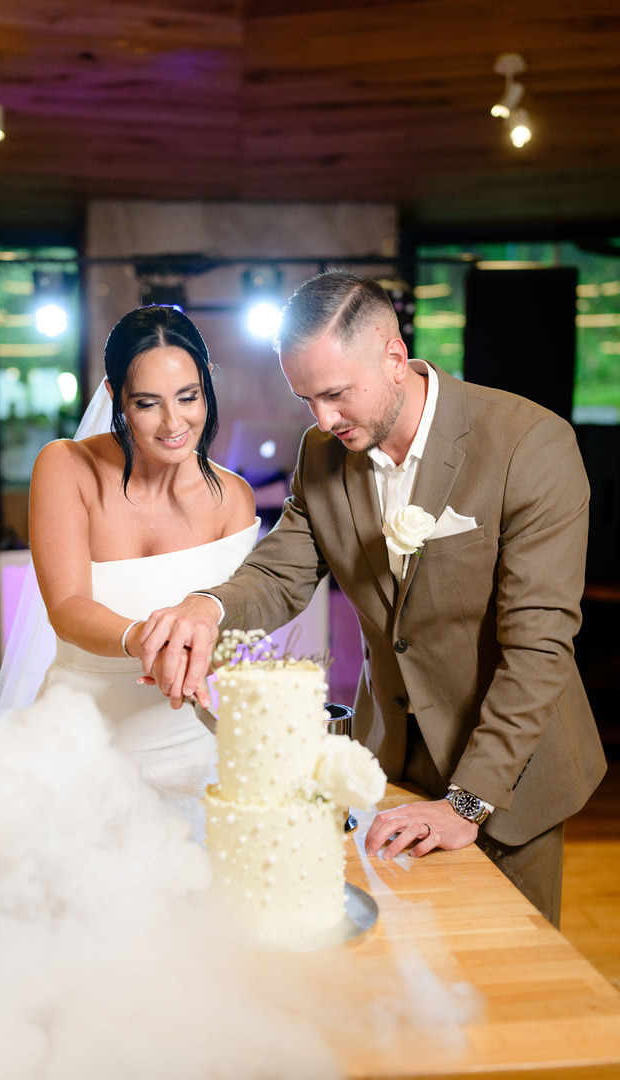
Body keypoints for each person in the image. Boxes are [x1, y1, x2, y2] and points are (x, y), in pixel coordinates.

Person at [137, 270, 606, 925]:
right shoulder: (321, 452)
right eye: (306, 399)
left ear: (393, 358)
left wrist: (466, 803)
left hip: (508, 772)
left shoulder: (529, 445)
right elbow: (280, 573)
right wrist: (206, 608)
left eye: (335, 394)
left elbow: (537, 647)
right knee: (412, 969)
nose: (323, 420)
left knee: (506, 976)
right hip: (389, 759)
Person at [0, 305, 258, 790]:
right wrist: (142, 638)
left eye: (189, 396)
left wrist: (203, 657)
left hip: (193, 746)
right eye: (147, 403)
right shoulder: (66, 466)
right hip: (79, 747)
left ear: (207, 382)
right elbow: (67, 607)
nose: (173, 423)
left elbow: (232, 626)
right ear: (116, 396)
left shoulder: (233, 498)